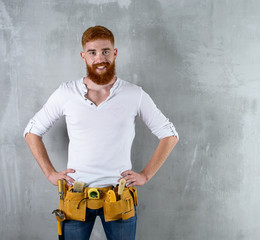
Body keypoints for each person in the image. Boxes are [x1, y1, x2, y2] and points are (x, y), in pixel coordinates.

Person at [23, 25, 178, 240]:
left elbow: (169, 134)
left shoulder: (134, 94)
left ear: (115, 53)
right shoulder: (66, 93)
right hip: (76, 197)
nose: (99, 58)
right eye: (92, 52)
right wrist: (50, 173)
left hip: (119, 197)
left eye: (105, 51)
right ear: (83, 56)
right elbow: (32, 131)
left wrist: (146, 175)